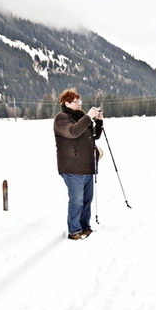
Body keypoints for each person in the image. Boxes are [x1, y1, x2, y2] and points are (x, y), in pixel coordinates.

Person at [54, 88, 103, 240]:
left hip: (87, 166)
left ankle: (84, 227)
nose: (79, 104)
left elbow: (95, 136)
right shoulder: (61, 118)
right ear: (66, 103)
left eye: (80, 101)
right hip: (72, 167)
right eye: (76, 102)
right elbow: (73, 132)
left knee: (87, 200)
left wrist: (99, 121)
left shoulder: (81, 117)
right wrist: (88, 117)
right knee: (77, 201)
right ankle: (74, 231)